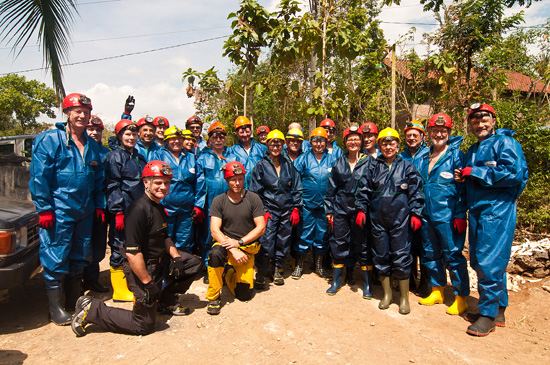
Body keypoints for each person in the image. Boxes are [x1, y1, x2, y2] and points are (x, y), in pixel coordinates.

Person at [71, 161, 202, 337]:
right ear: (145, 182)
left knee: (193, 263)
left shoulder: (158, 206)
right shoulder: (138, 210)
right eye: (158, 182)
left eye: (167, 182)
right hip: (142, 269)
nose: (163, 187)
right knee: (143, 325)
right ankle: (91, 308)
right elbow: (133, 254)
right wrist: (148, 283)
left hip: (160, 263)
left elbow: (165, 237)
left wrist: (177, 258)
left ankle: (164, 301)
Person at [29, 93, 105, 325]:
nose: (82, 115)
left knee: (81, 252)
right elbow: (39, 176)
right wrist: (44, 208)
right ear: (67, 113)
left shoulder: (92, 145)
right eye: (77, 111)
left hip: (85, 209)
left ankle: (74, 299)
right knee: (56, 253)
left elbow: (98, 178)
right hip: (59, 209)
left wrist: (99, 205)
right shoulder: (50, 140)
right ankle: (55, 307)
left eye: (86, 112)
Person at [455, 103, 528, 337]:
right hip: (477, 210)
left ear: (493, 120)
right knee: (479, 260)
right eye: (475, 120)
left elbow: (516, 174)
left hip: (497, 211)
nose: (480, 124)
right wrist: (464, 178)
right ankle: (498, 309)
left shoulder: (506, 143)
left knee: (489, 262)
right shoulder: (474, 149)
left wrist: (476, 172)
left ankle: (487, 315)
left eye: (484, 119)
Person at [356, 127, 424, 315]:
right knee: (381, 254)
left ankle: (403, 297)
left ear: (397, 144)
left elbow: (416, 192)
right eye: (384, 143)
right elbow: (363, 190)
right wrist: (361, 209)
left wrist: (416, 213)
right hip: (377, 219)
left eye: (391, 143)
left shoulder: (407, 167)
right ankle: (387, 295)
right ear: (380, 146)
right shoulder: (372, 167)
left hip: (400, 219)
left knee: (401, 256)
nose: (388, 147)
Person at [416, 114, 469, 315]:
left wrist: (459, 213)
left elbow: (463, 188)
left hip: (447, 215)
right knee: (430, 254)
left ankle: (460, 297)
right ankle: (437, 290)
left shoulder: (456, 155)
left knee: (453, 256)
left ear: (449, 133)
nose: (439, 134)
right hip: (425, 214)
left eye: (443, 131)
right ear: (429, 133)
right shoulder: (422, 156)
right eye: (435, 131)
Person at [205, 161, 266, 315]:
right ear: (226, 180)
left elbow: (261, 227)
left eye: (240, 178)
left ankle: (228, 273)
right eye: (233, 179)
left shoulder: (253, 198)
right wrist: (232, 247)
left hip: (245, 248)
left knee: (245, 295)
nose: (237, 183)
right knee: (215, 254)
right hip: (225, 246)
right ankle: (213, 297)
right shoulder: (219, 201)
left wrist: (239, 243)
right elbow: (214, 230)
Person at [250, 130, 302, 288]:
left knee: (283, 241)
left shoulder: (288, 165)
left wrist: (295, 207)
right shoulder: (261, 165)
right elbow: (255, 191)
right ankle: (261, 270)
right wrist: (262, 211)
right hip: (269, 210)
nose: (276, 146)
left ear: (283, 145)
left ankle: (277, 268)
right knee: (266, 241)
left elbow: (297, 187)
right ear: (268, 144)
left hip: (286, 209)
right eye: (273, 143)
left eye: (279, 143)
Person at [324, 125, 373, 297]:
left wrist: (365, 209)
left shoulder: (370, 162)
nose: (353, 142)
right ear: (345, 142)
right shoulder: (339, 161)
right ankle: (337, 281)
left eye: (356, 138)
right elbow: (332, 187)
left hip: (361, 209)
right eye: (350, 139)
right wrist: (329, 209)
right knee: (339, 242)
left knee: (363, 244)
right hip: (341, 209)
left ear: (361, 141)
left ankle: (367, 284)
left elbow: (374, 188)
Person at [104, 119, 147, 302]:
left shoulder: (138, 156)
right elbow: (112, 185)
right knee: (118, 245)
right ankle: (120, 290)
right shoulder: (114, 157)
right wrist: (118, 212)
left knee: (136, 245)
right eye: (127, 134)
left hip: (138, 210)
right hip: (122, 210)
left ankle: (133, 282)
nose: (131, 138)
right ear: (119, 136)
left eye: (134, 134)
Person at [292, 127, 337, 280]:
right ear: (310, 142)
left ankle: (319, 266)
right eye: (315, 141)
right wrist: (297, 204)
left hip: (325, 206)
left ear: (326, 142)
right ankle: (299, 265)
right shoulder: (302, 159)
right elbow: (295, 183)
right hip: (307, 205)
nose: (318, 144)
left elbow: (336, 184)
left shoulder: (333, 160)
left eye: (321, 141)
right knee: (304, 234)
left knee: (322, 235)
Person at [149, 126, 198, 254]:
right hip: (165, 209)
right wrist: (156, 204)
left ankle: (183, 269)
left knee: (185, 241)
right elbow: (151, 182)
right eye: (172, 139)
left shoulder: (191, 157)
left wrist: (198, 206)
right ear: (166, 141)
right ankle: (165, 270)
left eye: (179, 138)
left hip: (187, 210)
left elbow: (199, 183)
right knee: (164, 240)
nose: (176, 141)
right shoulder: (157, 155)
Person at [195, 122, 234, 276]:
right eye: (215, 136)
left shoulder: (232, 156)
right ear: (209, 139)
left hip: (229, 201)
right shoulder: (203, 158)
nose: (218, 139)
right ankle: (208, 265)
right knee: (208, 234)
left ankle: (226, 265)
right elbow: (199, 182)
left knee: (228, 232)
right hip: (209, 202)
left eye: (221, 136)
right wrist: (199, 205)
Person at [401, 120, 430, 295]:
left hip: (426, 208)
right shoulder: (401, 156)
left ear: (422, 136)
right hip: (404, 208)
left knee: (425, 246)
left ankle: (425, 282)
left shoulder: (429, 154)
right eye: (409, 135)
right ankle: (410, 280)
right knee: (408, 246)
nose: (412, 138)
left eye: (415, 135)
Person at [82, 115, 111, 293]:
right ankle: (77, 281)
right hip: (83, 206)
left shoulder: (107, 152)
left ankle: (92, 279)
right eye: (90, 129)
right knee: (82, 244)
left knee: (99, 246)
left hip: (103, 205)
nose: (94, 133)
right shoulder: (80, 149)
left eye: (98, 130)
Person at [229, 116, 268, 189]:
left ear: (251, 132)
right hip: (241, 191)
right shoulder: (232, 151)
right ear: (237, 133)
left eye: (247, 131)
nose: (245, 134)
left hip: (260, 191)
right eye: (241, 132)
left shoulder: (262, 148)